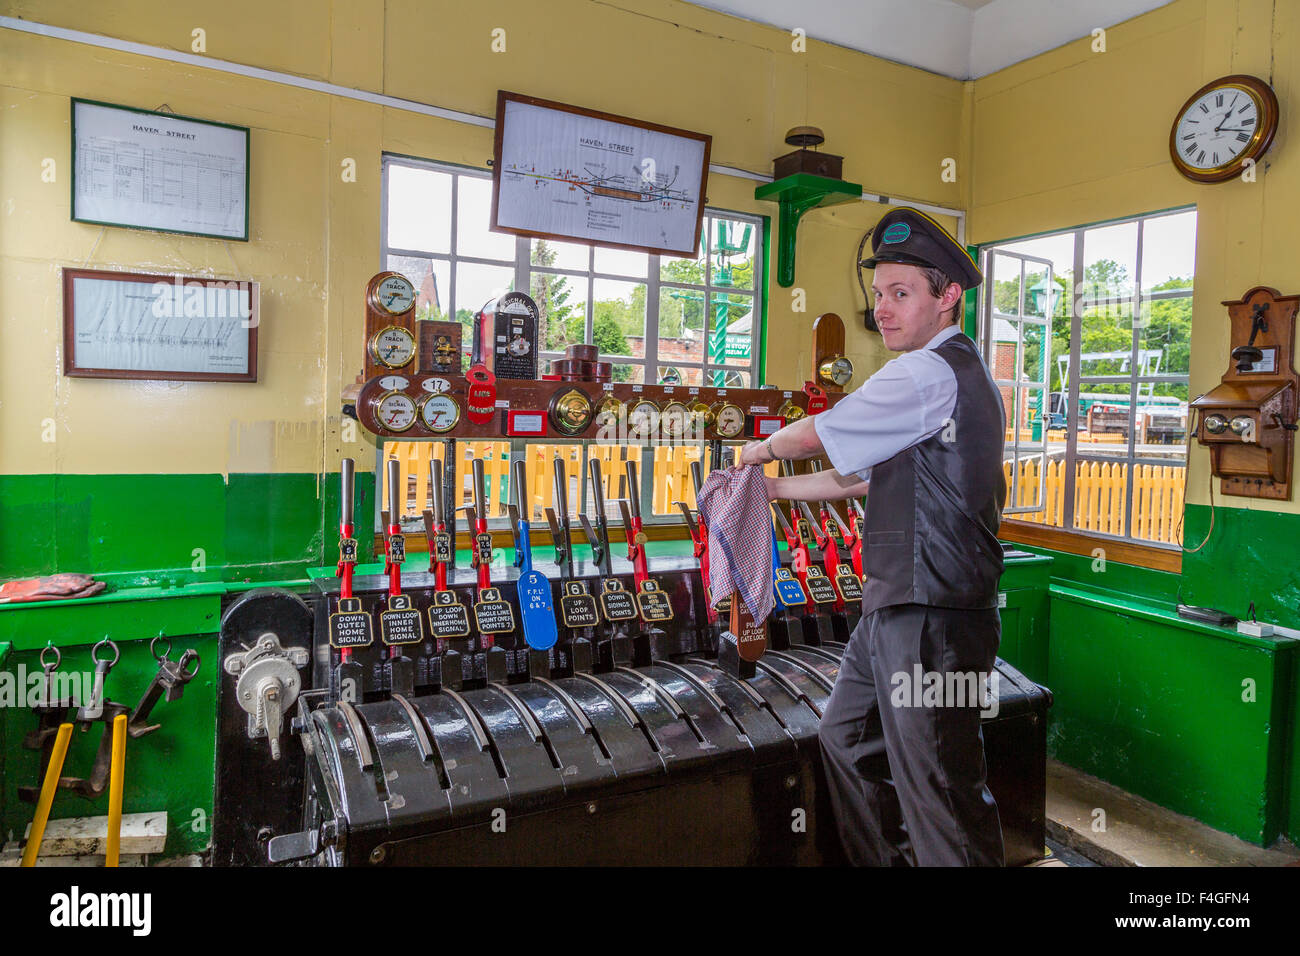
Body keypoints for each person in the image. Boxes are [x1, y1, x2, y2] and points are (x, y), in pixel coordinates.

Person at [739, 207, 1007, 866]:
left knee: (942, 788)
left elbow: (815, 433)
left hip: (933, 618)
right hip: (895, 609)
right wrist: (770, 491)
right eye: (879, 294)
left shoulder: (926, 372)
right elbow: (857, 477)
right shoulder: (952, 377)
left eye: (901, 294)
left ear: (948, 297)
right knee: (847, 741)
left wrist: (752, 457)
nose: (882, 310)